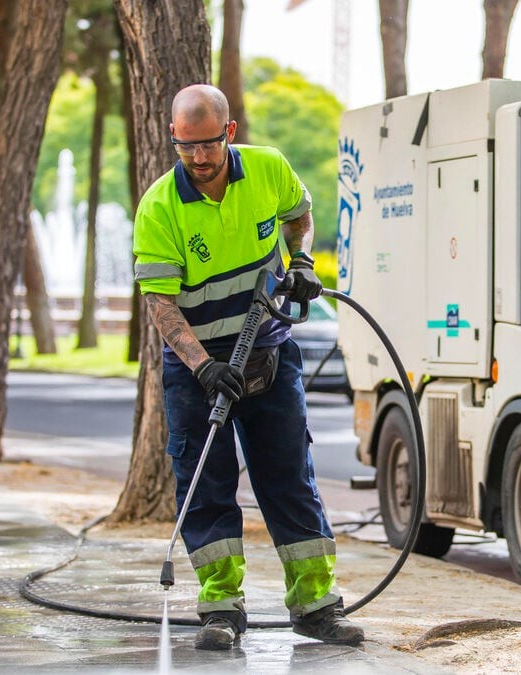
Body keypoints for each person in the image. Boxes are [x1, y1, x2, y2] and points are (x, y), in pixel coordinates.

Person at [132, 84, 363, 650]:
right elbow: (161, 305)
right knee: (206, 484)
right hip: (198, 369)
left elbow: (299, 216)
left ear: (229, 133)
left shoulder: (267, 168)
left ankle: (315, 606)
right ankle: (220, 610)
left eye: (209, 144)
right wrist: (206, 368)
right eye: (187, 148)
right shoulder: (159, 207)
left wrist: (302, 259)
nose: (200, 159)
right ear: (174, 141)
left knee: (288, 476)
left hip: (269, 351)